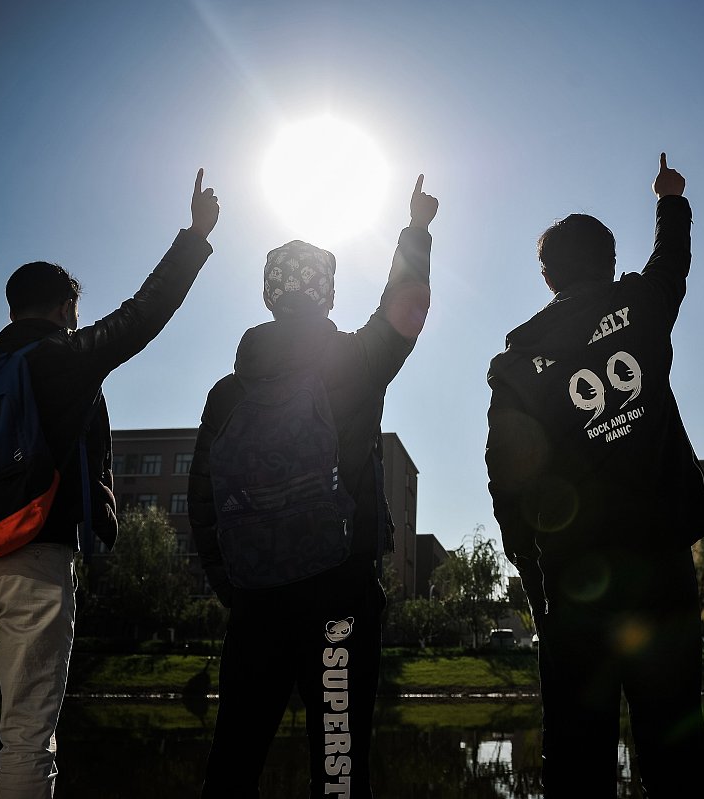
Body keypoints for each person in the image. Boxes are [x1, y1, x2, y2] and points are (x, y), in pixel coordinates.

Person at [0, 169, 220, 798]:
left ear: (12, 308)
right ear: (65, 308)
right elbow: (143, 317)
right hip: (32, 560)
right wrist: (195, 236)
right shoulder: (62, 359)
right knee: (28, 738)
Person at [189, 174, 438, 798]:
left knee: (233, 760)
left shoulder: (226, 393)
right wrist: (415, 230)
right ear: (326, 295)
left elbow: (202, 503)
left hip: (255, 602)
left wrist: (234, 584)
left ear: (270, 297)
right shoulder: (354, 363)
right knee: (338, 765)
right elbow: (405, 308)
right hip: (339, 598)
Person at [485, 153, 704, 798]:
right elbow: (672, 262)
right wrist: (670, 199)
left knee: (578, 744)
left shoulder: (515, 363)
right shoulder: (640, 306)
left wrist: (527, 562)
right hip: (660, 561)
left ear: (546, 275)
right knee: (673, 729)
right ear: (611, 263)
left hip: (573, 575)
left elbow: (505, 476)